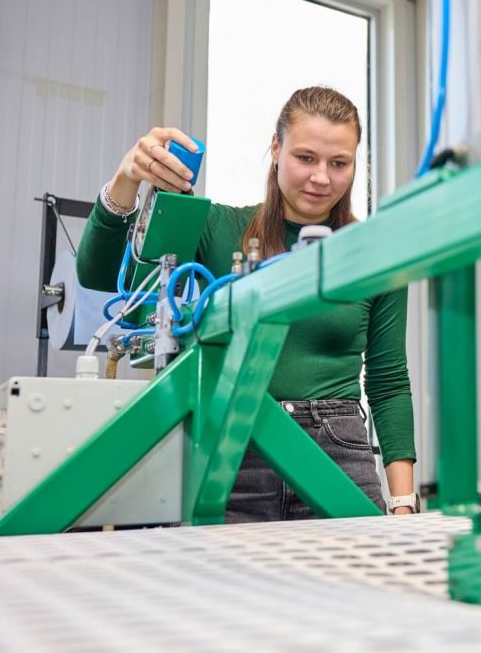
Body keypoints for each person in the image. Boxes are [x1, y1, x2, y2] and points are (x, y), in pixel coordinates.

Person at [76, 86, 418, 520]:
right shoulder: (219, 228)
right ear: (276, 149)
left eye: (339, 163)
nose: (321, 178)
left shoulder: (375, 253)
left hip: (340, 452)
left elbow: (389, 381)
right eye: (306, 158)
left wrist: (403, 503)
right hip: (233, 450)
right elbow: (99, 274)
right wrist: (127, 178)